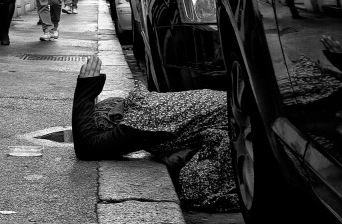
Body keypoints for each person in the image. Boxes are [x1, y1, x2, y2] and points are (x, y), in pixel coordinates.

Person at [71, 56, 238, 212]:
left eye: (104, 128)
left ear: (116, 117)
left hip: (239, 125)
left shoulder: (140, 117)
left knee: (193, 184)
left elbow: (87, 147)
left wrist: (85, 91)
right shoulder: (144, 105)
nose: (110, 138)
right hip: (235, 115)